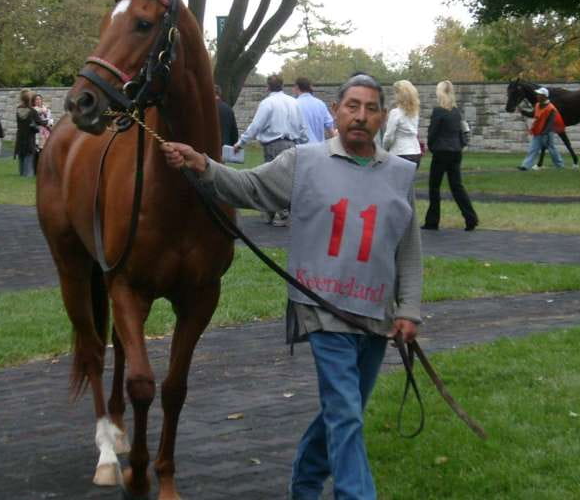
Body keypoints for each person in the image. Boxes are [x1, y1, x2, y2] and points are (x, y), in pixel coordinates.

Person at [161, 73, 422, 500]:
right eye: (352, 106)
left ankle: (304, 483)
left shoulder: (400, 174)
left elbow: (407, 246)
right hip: (322, 308)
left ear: (382, 117)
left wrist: (408, 308)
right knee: (346, 413)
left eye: (371, 108)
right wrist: (203, 164)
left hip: (376, 315)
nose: (360, 116)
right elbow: (250, 187)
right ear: (335, 112)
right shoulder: (304, 162)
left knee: (344, 410)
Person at [235, 74, 308, 226]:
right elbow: (302, 127)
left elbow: (256, 126)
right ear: (282, 86)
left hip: (274, 144)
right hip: (292, 143)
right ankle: (271, 213)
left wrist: (241, 143)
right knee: (287, 178)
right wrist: (303, 142)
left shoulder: (267, 103)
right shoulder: (294, 102)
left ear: (267, 87)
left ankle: (283, 214)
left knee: (273, 179)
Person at [423, 80, 479, 231]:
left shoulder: (438, 111)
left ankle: (432, 221)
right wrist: (460, 145)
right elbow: (461, 131)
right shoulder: (456, 112)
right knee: (457, 186)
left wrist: (432, 147)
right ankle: (471, 218)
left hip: (441, 152)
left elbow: (432, 133)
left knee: (434, 187)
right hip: (455, 151)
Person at [517, 87, 566, 171]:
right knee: (533, 149)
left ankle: (560, 165)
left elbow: (551, 122)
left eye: (539, 94)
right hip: (538, 131)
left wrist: (545, 132)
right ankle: (525, 166)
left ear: (545, 96)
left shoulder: (551, 108)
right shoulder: (537, 105)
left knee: (551, 149)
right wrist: (523, 111)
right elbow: (533, 114)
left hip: (547, 132)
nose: (537, 96)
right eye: (537, 94)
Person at [382, 80, 421, 164]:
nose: (394, 95)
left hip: (400, 152)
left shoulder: (395, 113)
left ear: (400, 95)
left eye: (396, 93)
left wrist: (384, 149)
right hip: (416, 152)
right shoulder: (415, 113)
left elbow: (389, 136)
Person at [14, 89, 47, 177]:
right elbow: (41, 122)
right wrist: (48, 121)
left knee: (21, 156)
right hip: (29, 137)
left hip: (20, 136)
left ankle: (22, 174)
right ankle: (27, 175)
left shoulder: (18, 109)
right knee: (28, 157)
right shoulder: (32, 111)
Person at [293, 76, 336, 143]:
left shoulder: (294, 105)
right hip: (319, 147)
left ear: (297, 87)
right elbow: (330, 128)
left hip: (301, 147)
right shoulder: (321, 104)